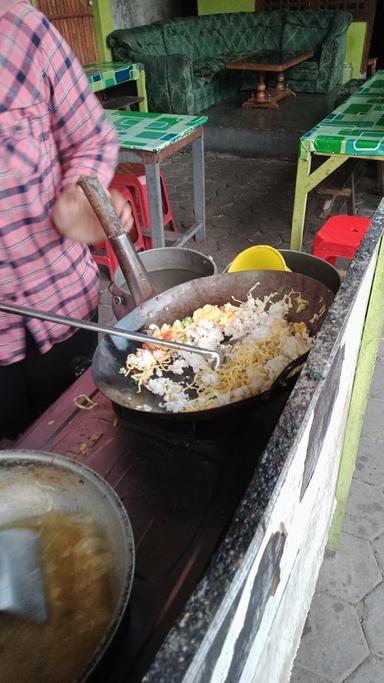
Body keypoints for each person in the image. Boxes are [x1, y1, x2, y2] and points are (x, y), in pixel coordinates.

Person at [0, 0, 133, 439]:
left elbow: (90, 135)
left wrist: (80, 195)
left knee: (83, 438)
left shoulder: (21, 30)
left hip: (60, 310)